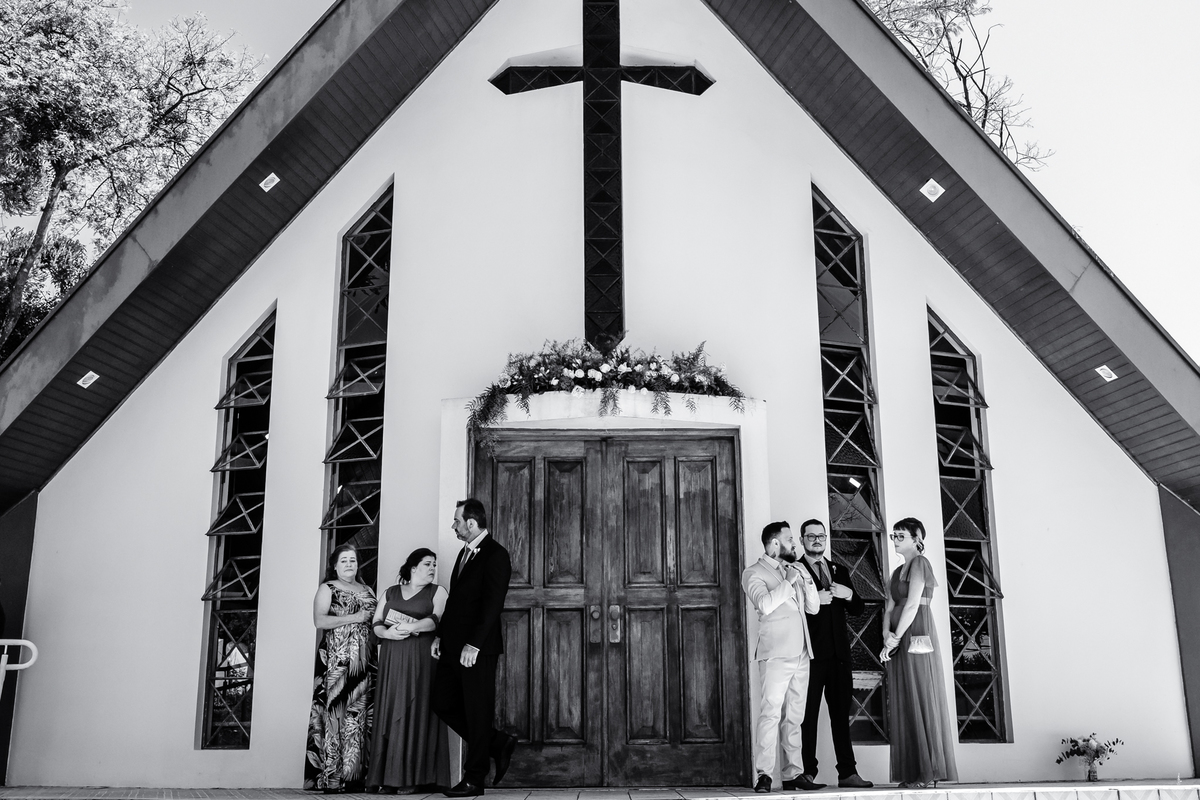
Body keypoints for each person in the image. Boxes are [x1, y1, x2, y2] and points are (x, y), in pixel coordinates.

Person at [432, 499, 517, 797]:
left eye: (457, 521)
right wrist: (440, 636)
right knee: (441, 702)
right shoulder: (464, 552)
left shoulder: (496, 554)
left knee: (477, 711)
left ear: (471, 523)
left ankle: (474, 779)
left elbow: (493, 605)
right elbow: (455, 601)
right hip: (452, 646)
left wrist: (474, 644)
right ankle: (497, 743)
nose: (453, 526)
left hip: (476, 649)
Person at [741, 521, 821, 793]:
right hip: (775, 654)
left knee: (795, 717)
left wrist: (806, 580)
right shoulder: (753, 573)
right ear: (775, 543)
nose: (794, 544)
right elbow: (764, 604)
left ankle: (793, 773)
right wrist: (788, 582)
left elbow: (813, 609)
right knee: (771, 714)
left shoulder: (793, 570)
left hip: (802, 653)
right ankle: (764, 775)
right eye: (789, 539)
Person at [881, 517, 958, 788]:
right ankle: (913, 771)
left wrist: (895, 638)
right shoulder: (896, 572)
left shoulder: (920, 564)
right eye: (894, 535)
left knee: (921, 693)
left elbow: (913, 604)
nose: (895, 539)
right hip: (897, 636)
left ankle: (927, 772)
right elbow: (889, 607)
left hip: (916, 633)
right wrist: (886, 635)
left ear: (917, 539)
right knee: (905, 696)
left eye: (901, 535)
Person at [796, 520, 873, 789]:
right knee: (807, 717)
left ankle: (848, 773)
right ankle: (806, 772)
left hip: (840, 656)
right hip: (810, 656)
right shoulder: (795, 571)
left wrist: (849, 593)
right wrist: (813, 599)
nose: (817, 540)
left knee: (841, 716)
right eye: (811, 536)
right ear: (802, 540)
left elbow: (858, 610)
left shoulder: (839, 570)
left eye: (821, 536)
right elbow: (790, 610)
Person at [368, 548, 452, 793]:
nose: (432, 568)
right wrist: (388, 633)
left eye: (434, 564)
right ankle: (387, 778)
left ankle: (413, 779)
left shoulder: (438, 591)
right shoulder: (390, 592)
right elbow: (376, 623)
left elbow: (437, 619)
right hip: (392, 658)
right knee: (391, 709)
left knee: (417, 710)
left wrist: (410, 627)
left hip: (422, 658)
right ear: (413, 567)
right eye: (427, 564)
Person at [305, 545, 378, 793]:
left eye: (353, 560)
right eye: (344, 560)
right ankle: (333, 779)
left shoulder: (367, 590)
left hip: (365, 662)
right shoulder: (328, 588)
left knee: (360, 716)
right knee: (336, 713)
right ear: (335, 566)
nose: (349, 564)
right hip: (337, 661)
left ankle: (356, 777)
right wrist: (354, 618)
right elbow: (319, 620)